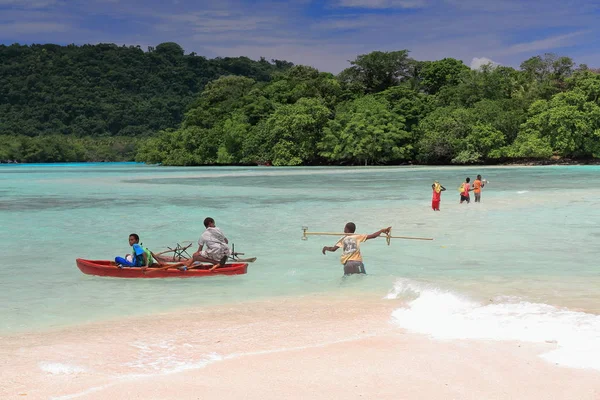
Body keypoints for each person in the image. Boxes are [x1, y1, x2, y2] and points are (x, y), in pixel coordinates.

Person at [321, 223, 391, 275]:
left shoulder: (343, 239)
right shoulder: (357, 236)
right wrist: (382, 231)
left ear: (347, 229)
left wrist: (325, 248)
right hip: (358, 262)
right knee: (362, 278)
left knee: (347, 280)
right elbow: (373, 236)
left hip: (348, 264)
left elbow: (333, 249)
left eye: (344, 228)